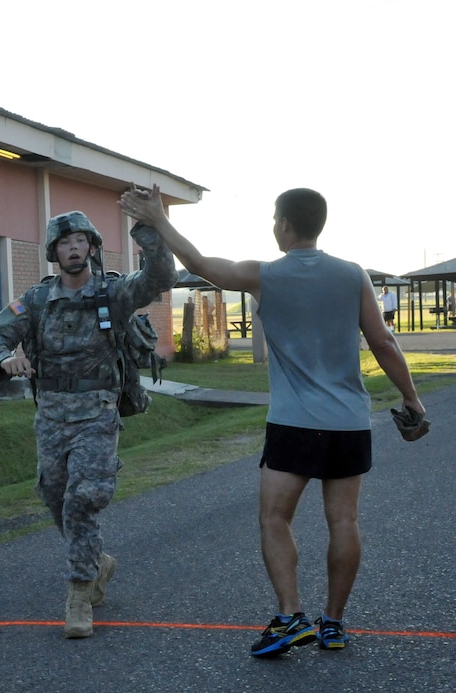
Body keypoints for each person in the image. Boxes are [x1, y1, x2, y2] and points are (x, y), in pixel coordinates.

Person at [118, 185, 426, 657]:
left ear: (283, 223)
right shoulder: (353, 275)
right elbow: (383, 342)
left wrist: (159, 220)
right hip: (348, 421)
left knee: (274, 518)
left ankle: (289, 616)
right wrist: (413, 399)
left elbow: (199, 265)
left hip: (294, 422)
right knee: (344, 520)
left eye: (273, 219)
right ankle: (334, 625)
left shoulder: (265, 276)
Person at [0, 208, 177, 638]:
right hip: (51, 412)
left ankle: (78, 595)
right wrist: (4, 358)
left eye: (80, 242)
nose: (74, 249)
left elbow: (162, 279)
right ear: (54, 252)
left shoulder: (114, 292)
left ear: (91, 247)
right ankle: (97, 563)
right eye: (65, 243)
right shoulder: (34, 300)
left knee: (83, 498)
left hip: (97, 412)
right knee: (53, 494)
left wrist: (149, 230)